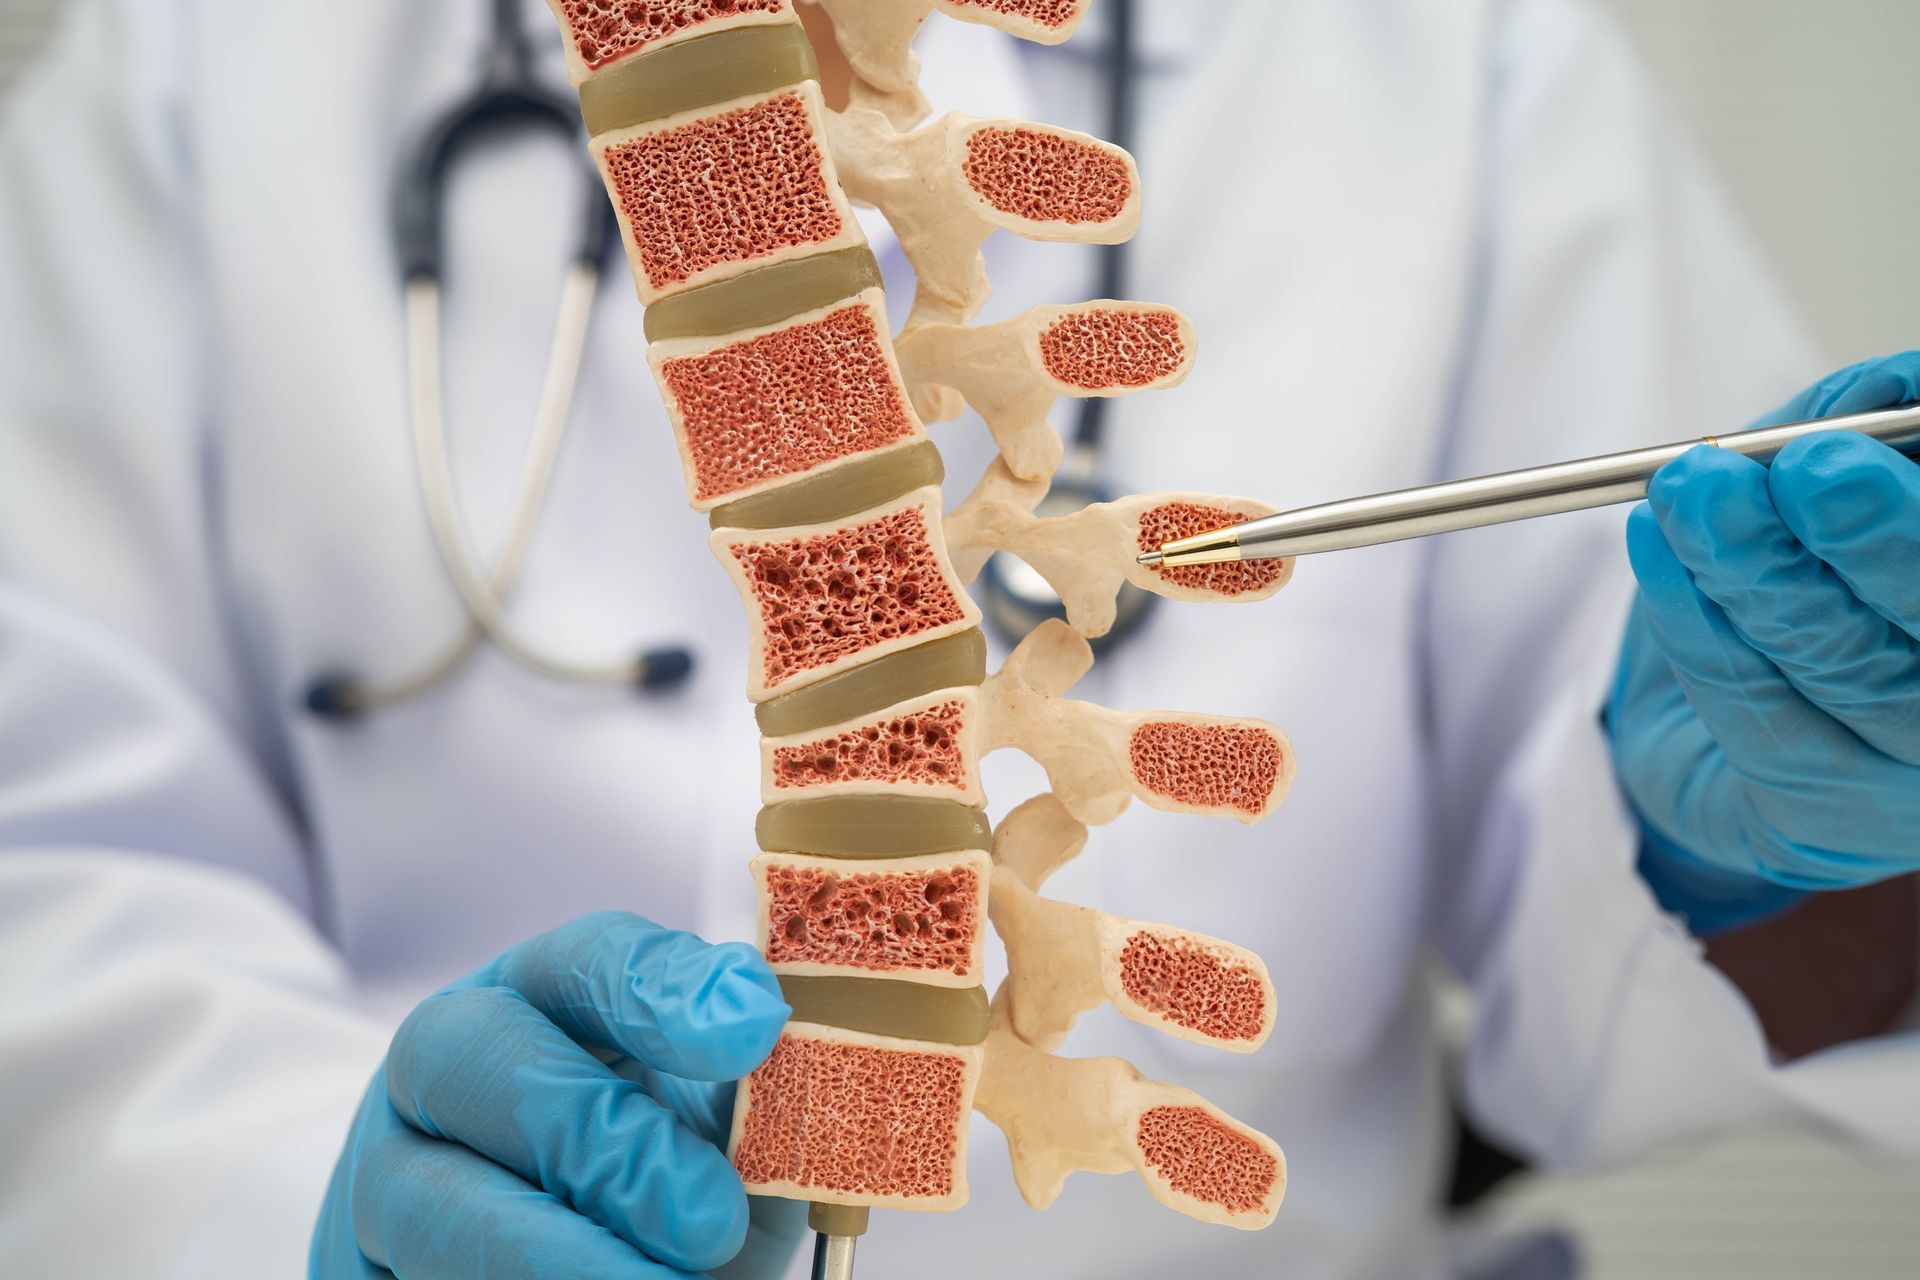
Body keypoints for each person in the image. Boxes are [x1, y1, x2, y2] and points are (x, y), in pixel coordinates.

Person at [0, 1, 1913, 1277]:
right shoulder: (199, 64)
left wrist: (1765, 818)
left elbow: (1663, 956)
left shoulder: (1446, 57)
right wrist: (288, 1208)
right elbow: (47, 875)